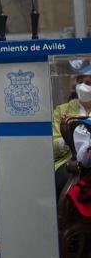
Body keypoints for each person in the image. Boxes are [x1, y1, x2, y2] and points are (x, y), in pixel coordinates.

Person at [53, 66, 91, 194]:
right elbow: (51, 148)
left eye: (88, 83)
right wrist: (69, 141)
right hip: (68, 162)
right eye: (79, 82)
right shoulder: (62, 111)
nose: (82, 86)